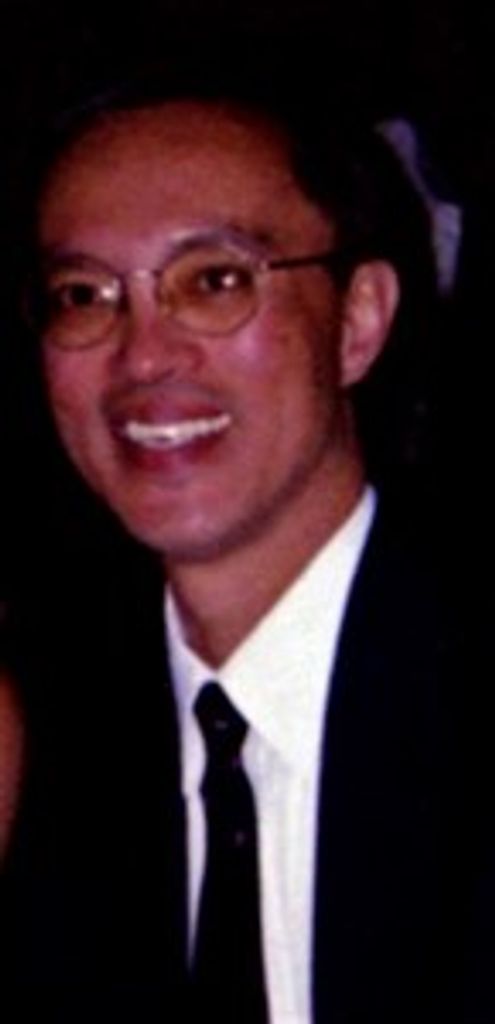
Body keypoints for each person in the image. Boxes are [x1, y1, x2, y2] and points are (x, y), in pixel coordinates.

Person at [4, 59, 474, 1023]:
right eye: (84, 296)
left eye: (214, 282)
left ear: (357, 321)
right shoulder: (51, 739)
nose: (144, 357)